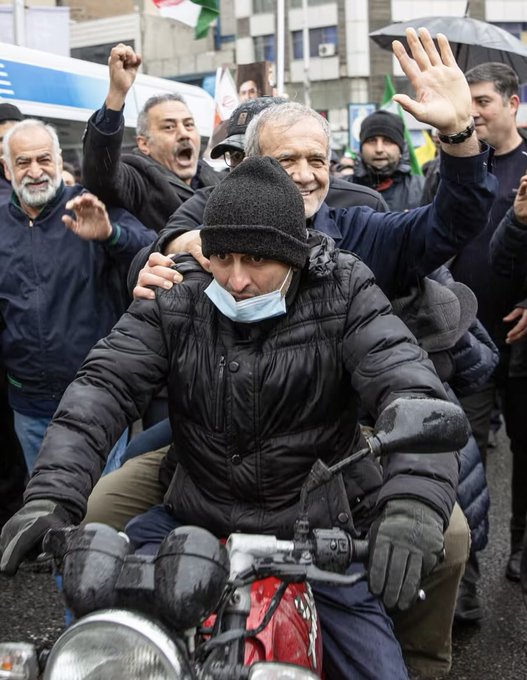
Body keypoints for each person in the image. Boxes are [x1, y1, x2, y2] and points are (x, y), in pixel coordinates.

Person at [85, 29, 495, 678]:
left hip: (343, 431)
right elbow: (161, 255)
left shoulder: (357, 225)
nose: (304, 174)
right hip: (217, 426)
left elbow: (451, 223)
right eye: (285, 161)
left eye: (316, 159)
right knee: (100, 511)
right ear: (246, 169)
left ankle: (414, 658)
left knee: (441, 537)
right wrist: (163, 258)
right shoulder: (209, 220)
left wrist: (459, 137)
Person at [0, 154, 466, 680]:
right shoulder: (176, 289)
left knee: (379, 670)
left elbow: (409, 384)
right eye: (222, 256)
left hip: (317, 531)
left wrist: (412, 503)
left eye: (257, 259)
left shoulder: (346, 288)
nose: (237, 279)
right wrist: (50, 495)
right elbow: (103, 386)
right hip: (192, 517)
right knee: (99, 647)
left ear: (293, 255)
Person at [0, 118, 157, 471]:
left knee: (101, 500)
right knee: (45, 498)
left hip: (95, 396)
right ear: (8, 170)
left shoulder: (89, 204)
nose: (35, 171)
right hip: (29, 406)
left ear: (59, 161)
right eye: (23, 162)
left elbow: (152, 248)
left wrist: (111, 234)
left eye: (44, 159)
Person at [446, 62, 527, 588]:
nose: (473, 112)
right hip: (466, 336)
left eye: (483, 101)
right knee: (462, 445)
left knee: (525, 445)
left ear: (512, 103)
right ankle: (465, 577)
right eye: (467, 101)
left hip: (520, 337)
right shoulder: (455, 166)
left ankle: (521, 546)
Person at [82, 43, 221, 233]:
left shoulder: (219, 181)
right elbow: (100, 175)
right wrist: (117, 93)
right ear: (144, 144)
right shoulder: (139, 180)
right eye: (169, 127)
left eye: (189, 125)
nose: (183, 134)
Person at [352, 109, 425, 211]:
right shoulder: (341, 190)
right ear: (361, 148)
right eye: (372, 141)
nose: (379, 149)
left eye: (388, 141)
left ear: (401, 149)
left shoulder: (423, 188)